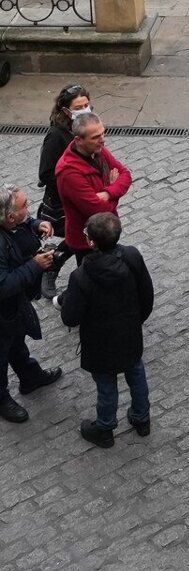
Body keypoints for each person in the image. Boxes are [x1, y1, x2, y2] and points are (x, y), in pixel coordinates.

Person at [60, 211, 154, 447]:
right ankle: (142, 419)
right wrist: (136, 321)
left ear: (91, 242)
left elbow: (70, 317)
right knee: (136, 374)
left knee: (106, 386)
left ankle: (105, 427)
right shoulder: (132, 256)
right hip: (129, 333)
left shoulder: (81, 276)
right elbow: (147, 294)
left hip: (99, 343)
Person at [0, 184, 61, 421]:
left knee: (15, 339)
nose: (29, 208)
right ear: (9, 216)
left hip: (14, 306)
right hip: (4, 305)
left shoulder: (12, 220)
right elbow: (3, 286)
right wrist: (35, 265)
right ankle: (1, 398)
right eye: (25, 206)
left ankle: (29, 376)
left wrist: (37, 224)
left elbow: (25, 223)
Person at [36, 82, 91, 297]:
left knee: (85, 236)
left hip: (85, 195)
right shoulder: (56, 136)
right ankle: (56, 268)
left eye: (86, 105)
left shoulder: (88, 126)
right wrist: (71, 183)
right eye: (78, 107)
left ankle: (55, 262)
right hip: (64, 200)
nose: (84, 110)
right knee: (82, 237)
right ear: (66, 110)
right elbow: (46, 174)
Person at [55, 109, 132, 257]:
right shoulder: (69, 173)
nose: (103, 139)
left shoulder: (98, 150)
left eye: (103, 133)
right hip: (87, 242)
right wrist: (112, 187)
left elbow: (126, 174)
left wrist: (108, 193)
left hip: (106, 232)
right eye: (96, 137)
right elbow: (97, 210)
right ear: (79, 140)